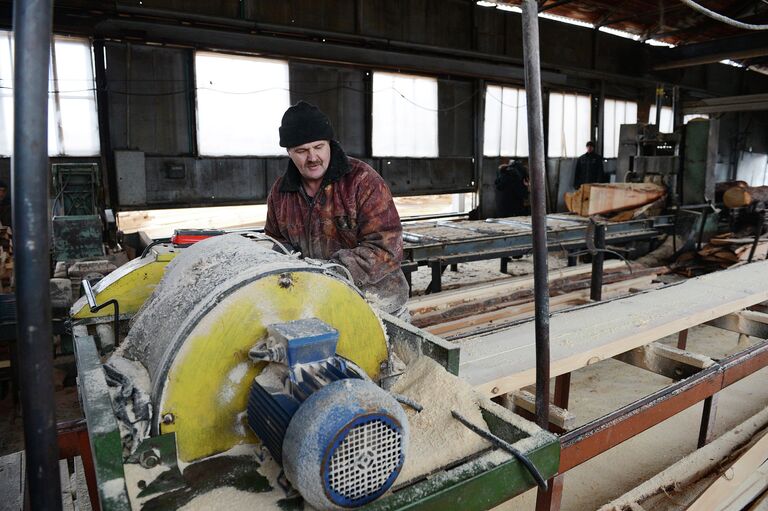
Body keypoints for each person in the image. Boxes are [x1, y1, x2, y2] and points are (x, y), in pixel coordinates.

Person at [265, 101, 410, 318]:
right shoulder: (281, 193)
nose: (312, 157)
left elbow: (387, 249)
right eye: (302, 151)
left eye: (318, 147)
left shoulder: (362, 181)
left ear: (330, 144)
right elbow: (275, 243)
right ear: (289, 152)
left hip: (375, 303)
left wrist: (327, 272)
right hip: (313, 305)